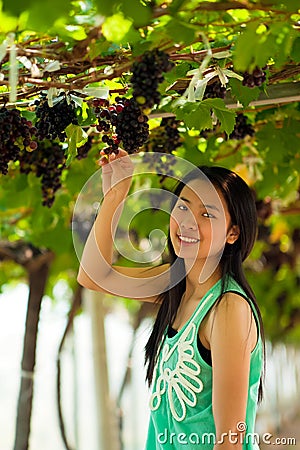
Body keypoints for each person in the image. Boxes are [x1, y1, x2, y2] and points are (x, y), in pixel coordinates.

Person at [77, 149, 264, 450]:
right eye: (183, 207)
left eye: (207, 214)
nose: (189, 221)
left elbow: (229, 440)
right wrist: (115, 195)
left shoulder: (229, 308)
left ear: (233, 233)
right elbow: (93, 276)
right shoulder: (174, 285)